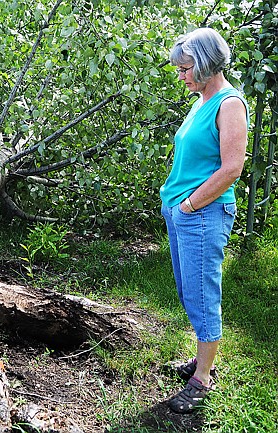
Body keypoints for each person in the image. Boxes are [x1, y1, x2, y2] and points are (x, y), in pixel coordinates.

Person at [159, 27, 249, 414]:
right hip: (182, 210)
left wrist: (190, 206)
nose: (181, 75)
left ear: (207, 64)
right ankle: (203, 359)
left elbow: (232, 168)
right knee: (188, 291)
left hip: (202, 212)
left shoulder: (229, 104)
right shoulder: (201, 100)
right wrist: (176, 206)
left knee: (202, 294)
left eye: (185, 67)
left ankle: (203, 379)